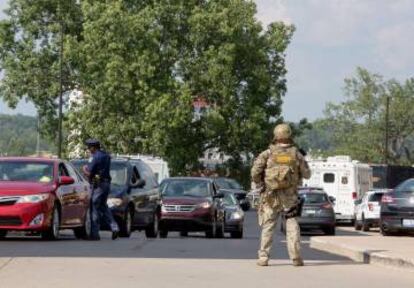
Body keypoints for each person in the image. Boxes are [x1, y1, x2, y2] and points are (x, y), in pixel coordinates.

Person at [251, 123, 311, 267]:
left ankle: (263, 258)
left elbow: (255, 172)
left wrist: (260, 184)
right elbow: (307, 174)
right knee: (292, 226)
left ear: (276, 136)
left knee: (268, 227)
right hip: (290, 198)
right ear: (289, 135)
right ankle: (296, 257)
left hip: (270, 197)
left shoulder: (268, 153)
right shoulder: (296, 154)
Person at [82, 139, 119, 240]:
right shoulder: (106, 155)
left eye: (89, 148)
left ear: (93, 147)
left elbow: (89, 173)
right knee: (103, 206)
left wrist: (84, 169)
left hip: (99, 185)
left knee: (94, 206)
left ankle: (94, 234)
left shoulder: (95, 157)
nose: (89, 150)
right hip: (106, 184)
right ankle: (114, 227)